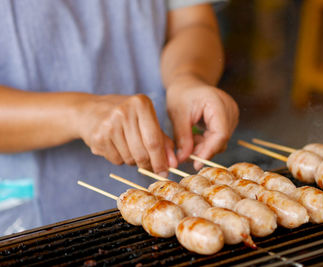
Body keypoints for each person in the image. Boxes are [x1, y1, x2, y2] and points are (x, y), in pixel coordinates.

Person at [0, 0, 239, 235]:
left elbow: (192, 22)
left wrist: (187, 78)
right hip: (26, 213)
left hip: (158, 190)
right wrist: (80, 113)